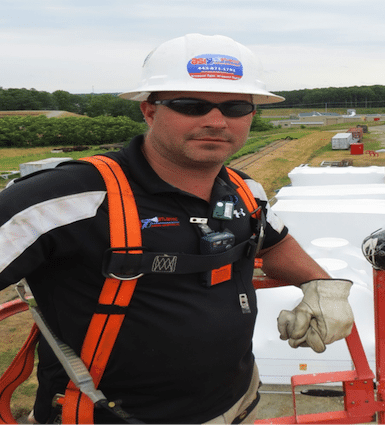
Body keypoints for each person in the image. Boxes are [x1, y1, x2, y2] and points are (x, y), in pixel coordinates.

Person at [0, 34, 354, 424]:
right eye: (191, 106)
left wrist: (322, 286)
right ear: (149, 111)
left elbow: (274, 242)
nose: (216, 122)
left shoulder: (244, 190)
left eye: (235, 107)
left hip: (236, 401)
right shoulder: (66, 199)